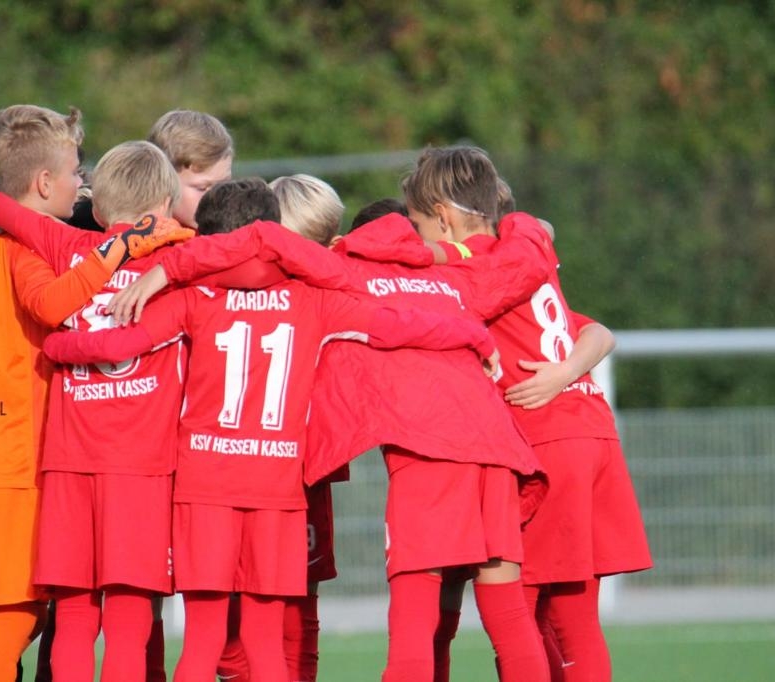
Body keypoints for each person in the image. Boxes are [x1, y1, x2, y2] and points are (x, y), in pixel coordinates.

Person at [106, 170, 556, 682]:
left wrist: (164, 270)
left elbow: (257, 238)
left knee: (407, 622)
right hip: (496, 442)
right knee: (509, 616)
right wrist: (495, 251)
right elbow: (531, 251)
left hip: (418, 451)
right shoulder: (449, 275)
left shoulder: (337, 272)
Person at [404, 146, 653, 681]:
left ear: (442, 217)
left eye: (418, 225)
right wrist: (568, 372)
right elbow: (597, 330)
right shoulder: (525, 249)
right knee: (574, 618)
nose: (417, 238)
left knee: (516, 612)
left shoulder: (475, 272)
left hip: (547, 442)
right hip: (592, 430)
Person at [0, 104, 135, 682]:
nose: (80, 182)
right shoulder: (24, 245)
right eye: (75, 171)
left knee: (15, 616)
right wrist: (116, 252)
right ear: (43, 183)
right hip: (11, 452)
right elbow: (52, 303)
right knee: (14, 617)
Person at [148, 109, 234, 229]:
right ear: (161, 184)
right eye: (202, 188)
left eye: (225, 186)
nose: (218, 198)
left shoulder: (232, 227)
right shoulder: (141, 236)